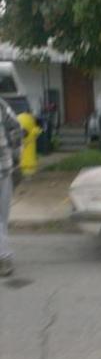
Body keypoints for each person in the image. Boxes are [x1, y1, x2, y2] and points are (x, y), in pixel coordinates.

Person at [0, 98, 23, 277]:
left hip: (4, 169)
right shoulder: (2, 105)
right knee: (1, 217)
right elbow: (16, 130)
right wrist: (15, 158)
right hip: (4, 169)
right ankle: (4, 258)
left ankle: (4, 258)